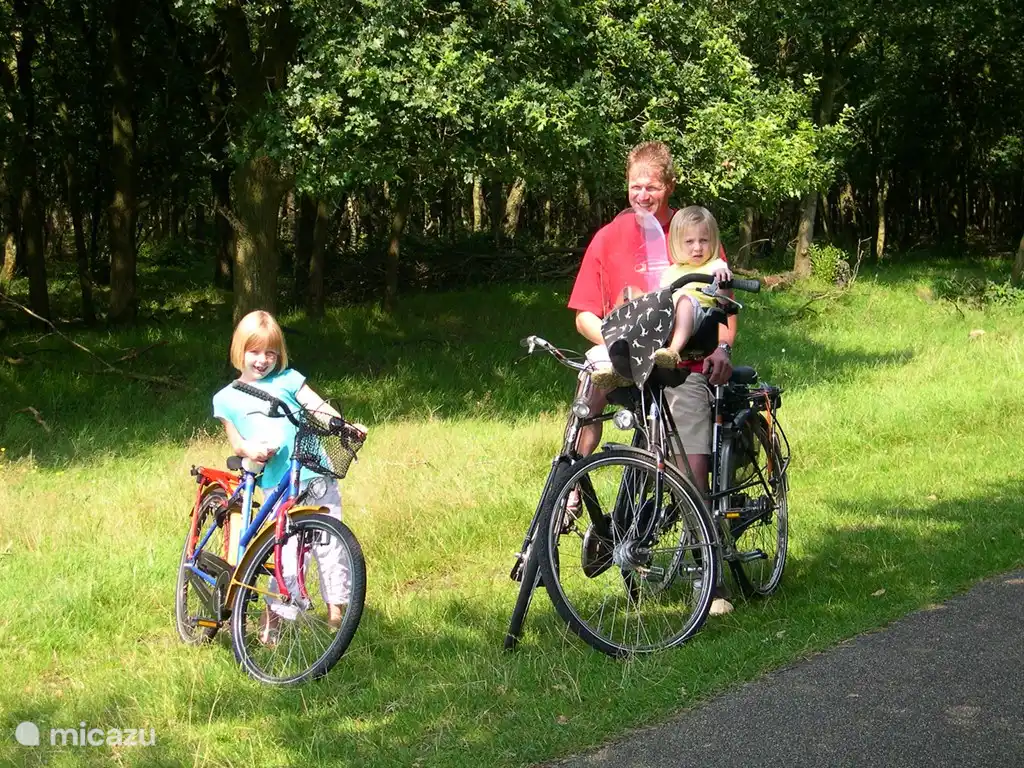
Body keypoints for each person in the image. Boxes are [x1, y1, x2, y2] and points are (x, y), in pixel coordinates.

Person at [566, 141, 737, 615]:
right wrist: (616, 341)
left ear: (669, 186)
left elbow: (722, 302)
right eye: (635, 187)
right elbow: (584, 312)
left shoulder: (692, 229)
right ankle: (573, 487)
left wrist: (723, 347)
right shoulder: (607, 238)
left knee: (690, 469)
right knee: (587, 386)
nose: (643, 195)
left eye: (652, 187)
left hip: (682, 367)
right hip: (629, 364)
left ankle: (712, 576)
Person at [212, 310, 364, 644]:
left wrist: (345, 426)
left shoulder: (289, 380)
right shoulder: (227, 398)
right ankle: (273, 623)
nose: (263, 360)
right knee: (288, 555)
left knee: (332, 546)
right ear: (239, 350)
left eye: (271, 352)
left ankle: (337, 617)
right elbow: (236, 441)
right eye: (254, 352)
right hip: (277, 484)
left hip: (316, 473)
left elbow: (318, 406)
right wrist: (251, 450)